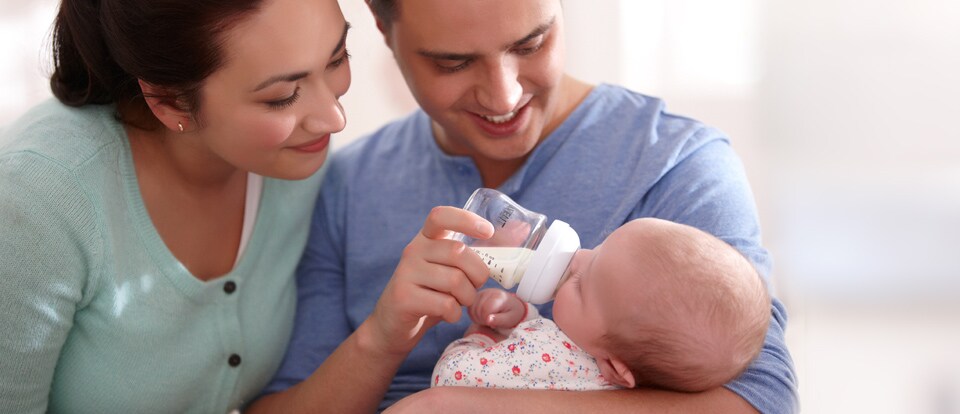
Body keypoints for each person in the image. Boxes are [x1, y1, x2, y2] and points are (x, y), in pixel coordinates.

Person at [263, 0, 798, 413]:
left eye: (532, 43)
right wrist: (380, 339)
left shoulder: (673, 163)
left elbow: (758, 400)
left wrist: (451, 405)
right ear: (386, 33)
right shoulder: (348, 184)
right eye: (454, 62)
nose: (503, 96)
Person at [0, 0, 353, 411]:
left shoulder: (295, 157)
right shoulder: (41, 198)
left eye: (338, 58)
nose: (334, 117)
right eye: (282, 96)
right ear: (168, 101)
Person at [433, 218, 770, 393]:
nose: (577, 257)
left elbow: (451, 378)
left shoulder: (552, 355)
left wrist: (479, 335)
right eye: (597, 249)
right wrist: (520, 317)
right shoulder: (596, 367)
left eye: (580, 285)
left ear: (613, 367)